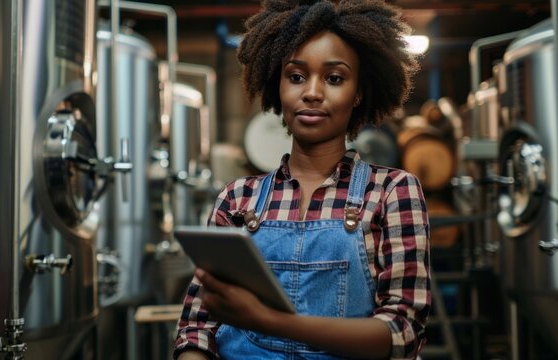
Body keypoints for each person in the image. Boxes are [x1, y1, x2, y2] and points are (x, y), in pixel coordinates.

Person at [174, 0, 430, 359]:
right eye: (296, 76)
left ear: (358, 92)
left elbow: (403, 333)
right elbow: (197, 326)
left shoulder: (392, 192)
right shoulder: (236, 199)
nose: (311, 92)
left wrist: (268, 320)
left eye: (334, 78)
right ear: (277, 86)